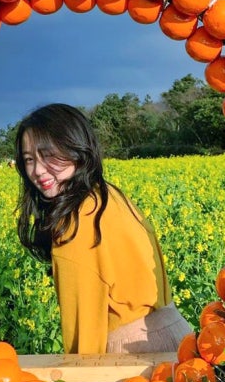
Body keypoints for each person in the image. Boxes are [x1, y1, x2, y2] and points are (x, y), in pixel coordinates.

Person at [14, 103, 192, 355]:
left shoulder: (76, 222)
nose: (38, 170)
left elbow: (83, 338)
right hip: (174, 341)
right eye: (29, 159)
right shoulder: (106, 195)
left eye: (48, 155)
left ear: (76, 150)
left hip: (129, 360)